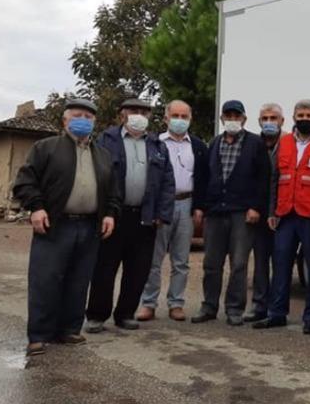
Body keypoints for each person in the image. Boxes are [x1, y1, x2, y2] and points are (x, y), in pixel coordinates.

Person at [13, 99, 119, 356]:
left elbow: (113, 191)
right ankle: (38, 335)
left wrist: (110, 214)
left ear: (95, 122)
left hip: (89, 227)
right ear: (65, 121)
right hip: (55, 225)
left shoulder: (103, 155)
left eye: (88, 117)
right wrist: (36, 207)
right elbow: (25, 182)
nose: (83, 120)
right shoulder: (46, 148)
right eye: (77, 115)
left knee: (79, 281)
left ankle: (69, 329)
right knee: (45, 280)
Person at [85, 98, 175, 333]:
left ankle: (125, 314)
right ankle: (96, 315)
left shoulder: (157, 145)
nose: (139, 115)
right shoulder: (106, 140)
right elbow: (97, 176)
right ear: (122, 114)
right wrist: (102, 212)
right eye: (134, 110)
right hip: (113, 216)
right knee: (104, 268)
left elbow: (167, 182)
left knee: (138, 270)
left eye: (144, 112)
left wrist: (162, 214)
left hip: (145, 217)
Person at [254, 99, 310, 334]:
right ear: (294, 118)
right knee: (281, 264)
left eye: (309, 116)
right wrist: (272, 211)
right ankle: (277, 313)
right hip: (285, 214)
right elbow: (275, 179)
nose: (305, 119)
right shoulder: (284, 142)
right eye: (301, 115)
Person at [192, 100, 270, 326]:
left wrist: (256, 207)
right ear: (222, 119)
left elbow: (263, 178)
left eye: (237, 116)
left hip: (242, 213)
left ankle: (234, 309)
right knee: (211, 264)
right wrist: (201, 206)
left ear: (244, 119)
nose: (232, 120)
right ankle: (209, 306)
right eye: (228, 116)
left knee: (238, 264)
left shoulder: (255, 144)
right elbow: (204, 177)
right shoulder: (214, 143)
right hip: (215, 212)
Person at [136, 100, 209, 322]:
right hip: (161, 206)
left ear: (190, 119)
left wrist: (199, 207)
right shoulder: (154, 143)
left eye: (184, 116)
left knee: (181, 260)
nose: (179, 120)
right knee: (154, 259)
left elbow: (203, 178)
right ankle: (148, 303)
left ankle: (176, 303)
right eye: (175, 116)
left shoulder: (198, 146)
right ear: (166, 118)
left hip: (187, 204)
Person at [243, 103, 286, 322]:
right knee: (260, 262)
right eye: (265, 118)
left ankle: (276, 308)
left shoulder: (289, 143)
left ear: (282, 121)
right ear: (259, 121)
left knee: (281, 262)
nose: (269, 122)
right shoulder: (252, 144)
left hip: (283, 213)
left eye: (273, 118)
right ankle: (259, 305)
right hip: (259, 213)